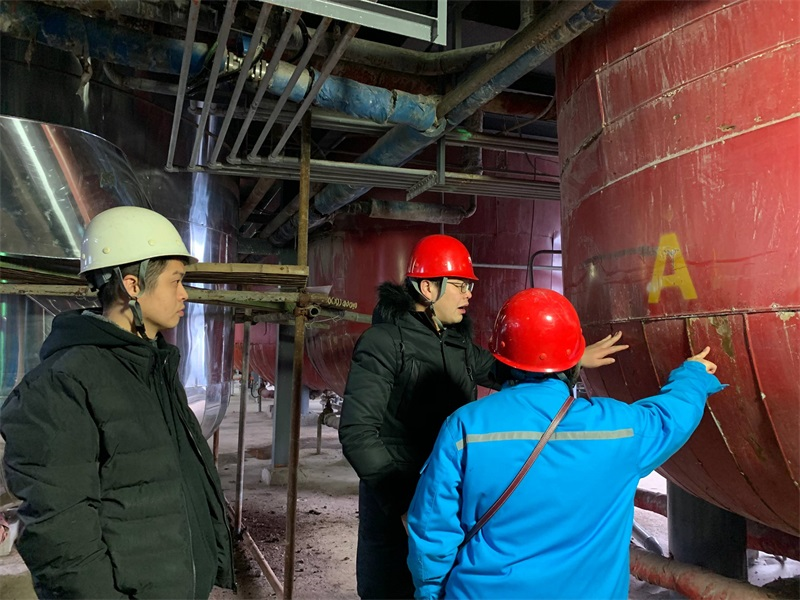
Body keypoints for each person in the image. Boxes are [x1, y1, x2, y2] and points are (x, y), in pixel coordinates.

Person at [338, 234, 628, 599]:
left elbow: (507, 368)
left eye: (469, 286)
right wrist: (403, 504)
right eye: (460, 285)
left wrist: (566, 358)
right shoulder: (382, 344)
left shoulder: (457, 345)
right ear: (428, 288)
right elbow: (358, 432)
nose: (469, 295)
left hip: (448, 496)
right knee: (394, 589)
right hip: (399, 500)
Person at [406, 288, 725, 599]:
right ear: (575, 362)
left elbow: (431, 531)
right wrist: (693, 375)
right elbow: (671, 417)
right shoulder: (619, 429)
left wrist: (431, 592)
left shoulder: (465, 427)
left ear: (501, 358)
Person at [1, 206, 235, 599]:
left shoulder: (153, 367)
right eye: (176, 280)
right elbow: (58, 533)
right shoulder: (63, 382)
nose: (184, 294)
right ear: (132, 285)